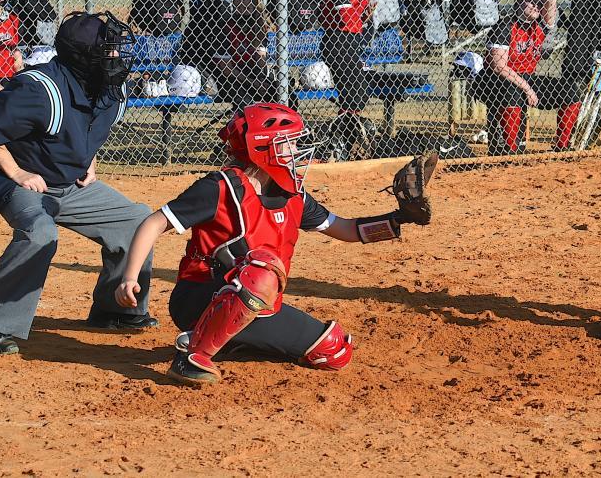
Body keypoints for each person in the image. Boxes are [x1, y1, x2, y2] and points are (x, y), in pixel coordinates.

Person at [113, 103, 436, 385]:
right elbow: (153, 223)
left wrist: (399, 220)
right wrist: (129, 278)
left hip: (257, 303)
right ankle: (194, 357)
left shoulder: (292, 195)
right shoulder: (221, 187)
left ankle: (225, 341)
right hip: (200, 297)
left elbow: (346, 229)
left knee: (334, 351)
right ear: (262, 147)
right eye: (289, 144)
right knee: (261, 268)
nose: (297, 152)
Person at [0, 12, 156, 355]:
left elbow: (94, 128)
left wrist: (89, 163)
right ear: (83, 56)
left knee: (138, 220)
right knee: (40, 232)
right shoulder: (40, 88)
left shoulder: (110, 86)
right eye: (107, 50)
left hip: (70, 182)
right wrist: (17, 173)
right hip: (23, 182)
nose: (116, 56)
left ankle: (116, 310)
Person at [477, 0, 575, 154]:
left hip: (524, 78)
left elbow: (551, 2)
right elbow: (499, 67)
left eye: (539, 3)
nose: (537, 6)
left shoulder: (538, 27)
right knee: (513, 90)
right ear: (521, 3)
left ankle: (561, 146)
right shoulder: (505, 26)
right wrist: (528, 88)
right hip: (493, 81)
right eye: (532, 2)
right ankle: (510, 151)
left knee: (570, 90)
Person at [318, 0, 375, 118]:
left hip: (345, 40)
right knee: (357, 92)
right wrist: (364, 2)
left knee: (354, 94)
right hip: (339, 42)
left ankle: (347, 129)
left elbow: (352, 19)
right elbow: (346, 18)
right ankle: (346, 128)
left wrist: (365, 12)